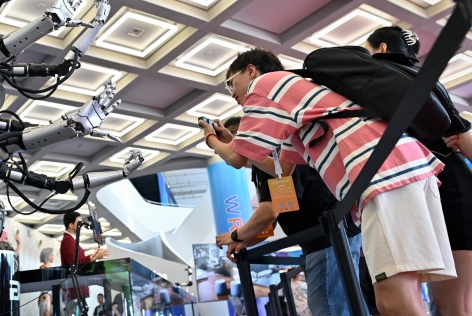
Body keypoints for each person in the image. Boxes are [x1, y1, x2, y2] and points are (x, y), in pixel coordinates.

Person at [200, 47, 455, 315]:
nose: (232, 92)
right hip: (399, 166)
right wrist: (232, 144)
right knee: (408, 290)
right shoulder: (293, 100)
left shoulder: (265, 85)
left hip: (379, 174)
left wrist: (210, 138)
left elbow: (236, 159)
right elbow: (283, 168)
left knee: (393, 299)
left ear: (251, 70)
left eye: (231, 82)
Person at [365, 25, 472, 316]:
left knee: (454, 306)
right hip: (452, 183)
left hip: (445, 188)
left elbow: (462, 135)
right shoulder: (426, 80)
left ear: (383, 49)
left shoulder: (380, 79)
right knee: (455, 304)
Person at [216, 116, 364, 316]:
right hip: (333, 237)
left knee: (329, 308)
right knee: (342, 306)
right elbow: (274, 216)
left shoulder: (272, 159)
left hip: (327, 240)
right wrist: (246, 240)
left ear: (237, 139)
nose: (223, 156)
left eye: (221, 149)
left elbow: (269, 213)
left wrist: (235, 235)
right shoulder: (270, 160)